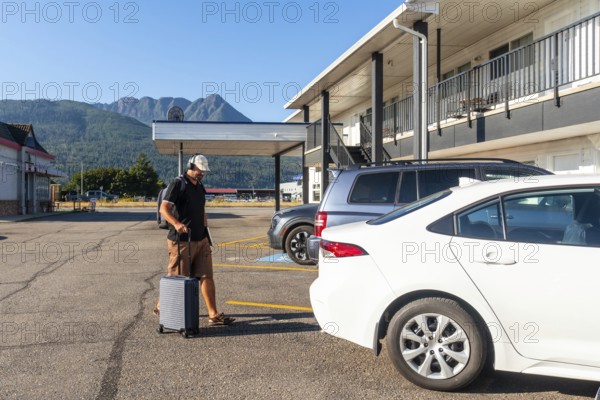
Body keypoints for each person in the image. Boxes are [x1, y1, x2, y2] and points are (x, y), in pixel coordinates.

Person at [154, 154, 234, 326]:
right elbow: (164, 208)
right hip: (181, 240)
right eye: (200, 170)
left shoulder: (200, 186)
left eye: (204, 171)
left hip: (201, 238)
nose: (202, 173)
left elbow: (201, 210)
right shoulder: (178, 183)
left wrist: (206, 233)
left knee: (207, 276)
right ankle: (163, 307)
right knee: (177, 277)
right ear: (191, 166)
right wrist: (176, 224)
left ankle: (213, 314)